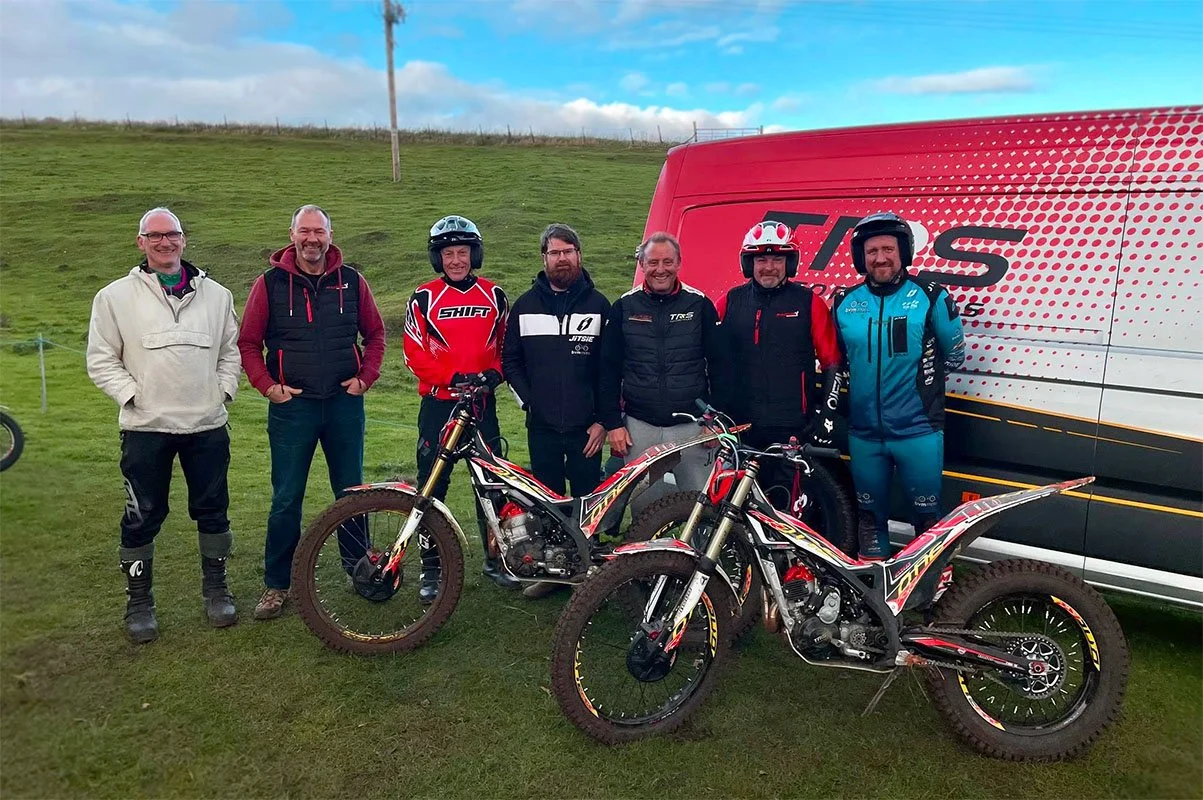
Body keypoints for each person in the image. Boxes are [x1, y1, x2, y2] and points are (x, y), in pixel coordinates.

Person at [86, 207, 242, 643]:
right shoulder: (114, 297)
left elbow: (231, 354)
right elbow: (101, 359)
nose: (164, 242)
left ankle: (217, 591)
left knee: (213, 512)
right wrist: (133, 397)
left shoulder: (218, 295)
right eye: (154, 236)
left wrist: (222, 392)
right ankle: (139, 602)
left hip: (206, 424)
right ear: (141, 243)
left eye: (172, 234)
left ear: (184, 239)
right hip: (145, 427)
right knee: (142, 515)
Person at [238, 204, 386, 619]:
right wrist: (267, 387)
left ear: (330, 235)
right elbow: (248, 343)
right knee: (286, 498)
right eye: (304, 231)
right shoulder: (269, 284)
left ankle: (358, 570)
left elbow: (375, 334)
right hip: (293, 409)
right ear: (292, 235)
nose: (311, 239)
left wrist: (366, 377)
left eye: (318, 231)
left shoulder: (352, 281)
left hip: (343, 404)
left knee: (351, 493)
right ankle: (277, 585)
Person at [831, 212, 966, 560]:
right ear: (861, 257)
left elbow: (955, 355)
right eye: (872, 251)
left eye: (888, 249)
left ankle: (931, 589)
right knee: (869, 519)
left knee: (927, 519)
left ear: (903, 252)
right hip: (863, 434)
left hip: (918, 430)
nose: (880, 258)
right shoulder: (845, 302)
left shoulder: (931, 296)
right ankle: (873, 593)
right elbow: (841, 360)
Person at [402, 215, 519, 603]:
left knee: (492, 485)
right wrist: (451, 377)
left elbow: (507, 349)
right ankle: (431, 567)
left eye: (463, 252)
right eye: (449, 254)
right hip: (440, 407)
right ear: (438, 258)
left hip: (483, 408)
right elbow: (413, 352)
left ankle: (497, 559)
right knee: (431, 486)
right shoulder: (423, 297)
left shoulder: (495, 295)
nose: (456, 260)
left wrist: (495, 374)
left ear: (475, 254)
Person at [502, 223, 610, 598]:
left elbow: (609, 370)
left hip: (586, 429)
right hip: (543, 424)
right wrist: (530, 401)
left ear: (579, 255)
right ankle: (552, 573)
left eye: (567, 251)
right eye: (554, 252)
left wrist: (602, 420)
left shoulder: (599, 306)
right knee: (546, 500)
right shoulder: (525, 305)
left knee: (586, 500)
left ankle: (590, 573)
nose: (561, 258)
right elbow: (510, 360)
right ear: (544, 258)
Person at [715, 220, 844, 519]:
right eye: (761, 259)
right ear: (749, 263)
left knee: (783, 509)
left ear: (791, 262)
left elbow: (832, 363)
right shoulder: (730, 301)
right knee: (733, 506)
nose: (769, 267)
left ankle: (785, 564)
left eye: (777, 259)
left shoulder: (809, 303)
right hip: (740, 425)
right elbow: (709, 355)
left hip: (790, 426)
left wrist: (825, 416)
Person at [599, 231, 723, 517]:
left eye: (668, 262)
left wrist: (715, 418)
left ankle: (701, 560)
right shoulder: (624, 307)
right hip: (639, 427)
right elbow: (607, 369)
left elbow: (722, 366)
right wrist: (612, 423)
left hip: (694, 428)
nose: (660, 269)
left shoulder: (699, 304)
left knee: (701, 508)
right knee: (647, 511)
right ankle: (650, 561)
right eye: (653, 262)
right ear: (642, 264)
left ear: (679, 263)